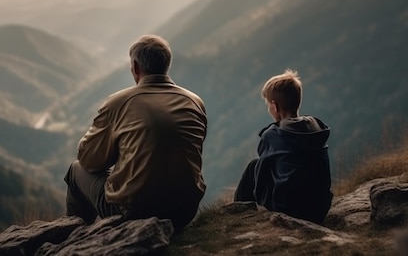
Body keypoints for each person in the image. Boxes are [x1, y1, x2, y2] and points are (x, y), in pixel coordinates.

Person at [64, 34, 207, 231]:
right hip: (184, 211)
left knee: (76, 169)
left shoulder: (119, 102)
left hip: (134, 213)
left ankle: (74, 237)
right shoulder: (194, 102)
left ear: (136, 67)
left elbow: (90, 160)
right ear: (166, 64)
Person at [233, 69, 332, 224]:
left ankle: (235, 215)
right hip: (319, 207)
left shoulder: (274, 134)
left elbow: (261, 176)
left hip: (289, 209)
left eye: (268, 105)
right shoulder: (317, 126)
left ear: (275, 106)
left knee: (254, 166)